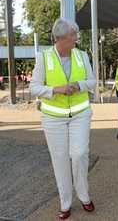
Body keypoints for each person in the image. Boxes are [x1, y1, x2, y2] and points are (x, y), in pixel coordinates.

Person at [30, 18, 96, 220]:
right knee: (59, 160)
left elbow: (92, 81)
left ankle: (83, 195)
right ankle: (65, 203)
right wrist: (55, 90)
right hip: (53, 118)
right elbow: (34, 88)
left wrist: (79, 85)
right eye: (73, 35)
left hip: (80, 114)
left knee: (79, 154)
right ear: (61, 39)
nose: (76, 39)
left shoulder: (82, 56)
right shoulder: (44, 57)